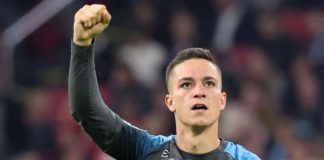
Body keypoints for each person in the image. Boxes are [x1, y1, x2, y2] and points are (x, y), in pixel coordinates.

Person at [69, 4, 261, 160]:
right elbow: (87, 111)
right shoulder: (146, 149)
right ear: (170, 102)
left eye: (209, 83)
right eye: (186, 84)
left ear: (222, 100)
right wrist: (82, 46)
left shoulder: (244, 159)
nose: (199, 91)